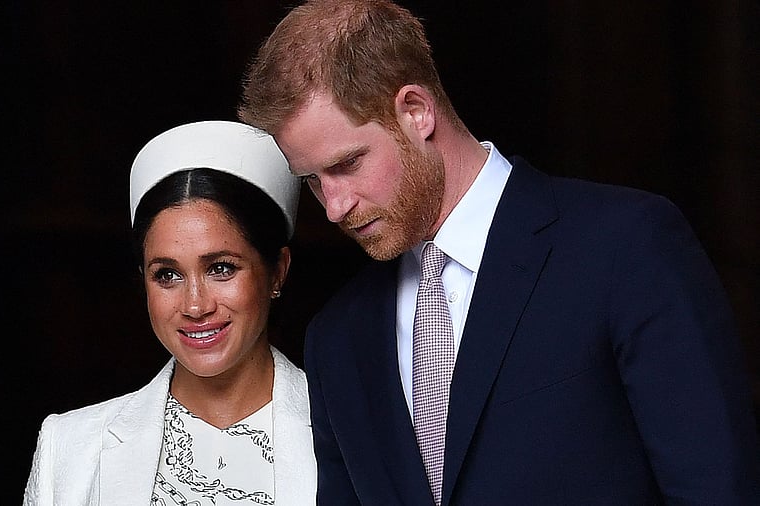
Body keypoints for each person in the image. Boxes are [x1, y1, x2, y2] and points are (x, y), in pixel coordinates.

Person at [238, 1, 760, 504]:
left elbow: (715, 489)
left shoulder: (625, 247)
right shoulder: (337, 338)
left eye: (347, 164)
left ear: (415, 111)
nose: (332, 207)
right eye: (312, 181)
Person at [23, 120, 316, 505]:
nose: (195, 305)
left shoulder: (349, 433)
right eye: (168, 274)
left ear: (277, 269)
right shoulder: (72, 448)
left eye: (221, 268)